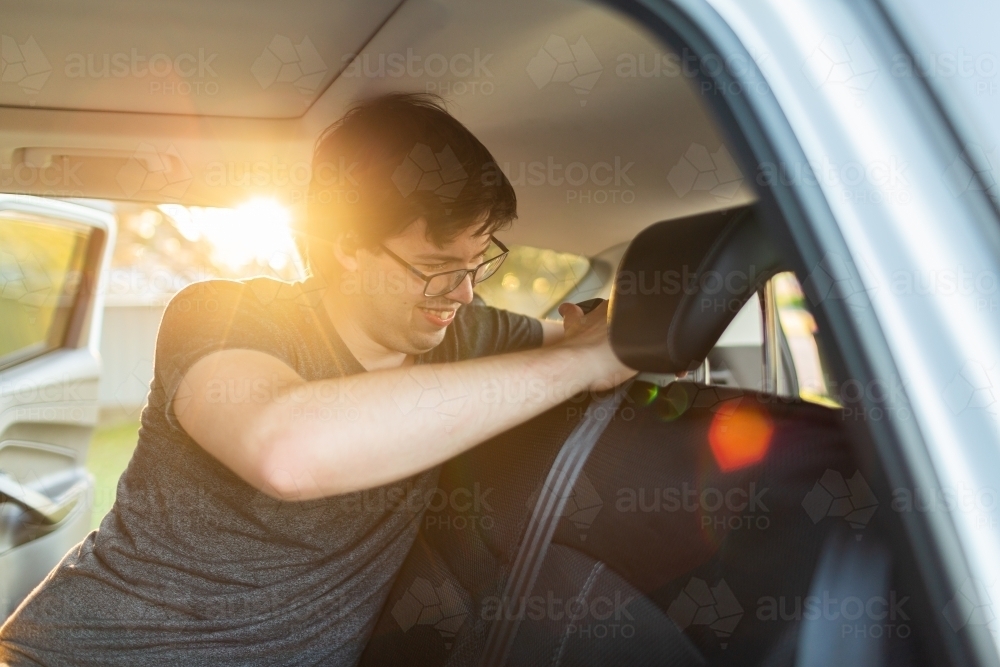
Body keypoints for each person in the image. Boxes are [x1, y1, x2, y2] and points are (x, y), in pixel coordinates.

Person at [0, 93, 635, 666]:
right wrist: (578, 362)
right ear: (345, 244)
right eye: (437, 266)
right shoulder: (222, 313)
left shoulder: (468, 336)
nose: (464, 293)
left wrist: (612, 339)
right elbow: (287, 450)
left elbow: (595, 337)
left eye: (480, 261)